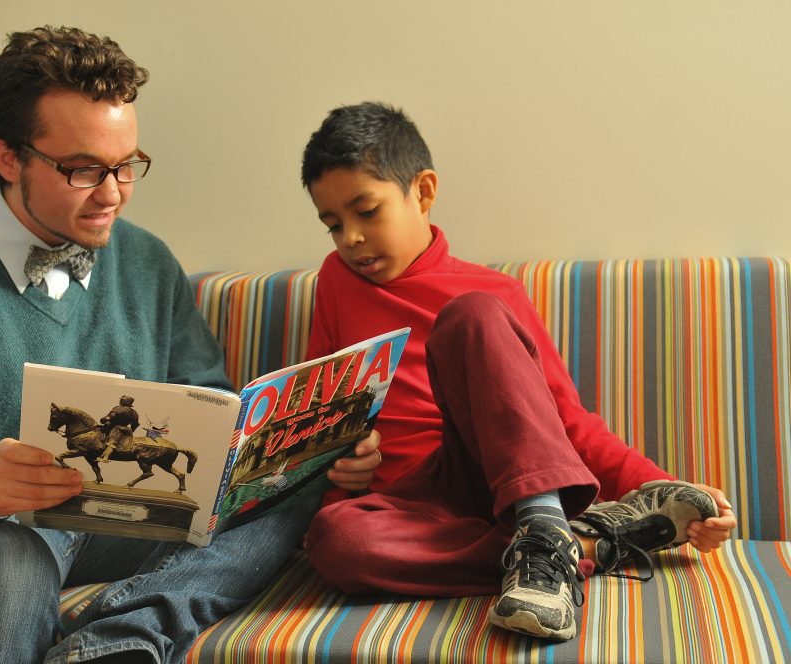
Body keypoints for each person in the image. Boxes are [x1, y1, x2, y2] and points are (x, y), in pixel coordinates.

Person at [0, 27, 380, 664]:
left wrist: (283, 449)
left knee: (290, 490)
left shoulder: (148, 261)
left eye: (126, 165)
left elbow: (208, 401)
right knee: (9, 572)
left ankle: (125, 635)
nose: (114, 193)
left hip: (121, 516)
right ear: (8, 158)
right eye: (85, 170)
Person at [298, 102, 738, 642]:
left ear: (423, 191)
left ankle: (542, 527)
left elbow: (565, 422)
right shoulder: (336, 280)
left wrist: (661, 486)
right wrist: (338, 463)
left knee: (471, 315)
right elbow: (321, 405)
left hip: (500, 482)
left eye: (367, 212)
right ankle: (587, 544)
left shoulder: (495, 294)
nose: (350, 238)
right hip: (413, 506)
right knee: (334, 542)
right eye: (333, 225)